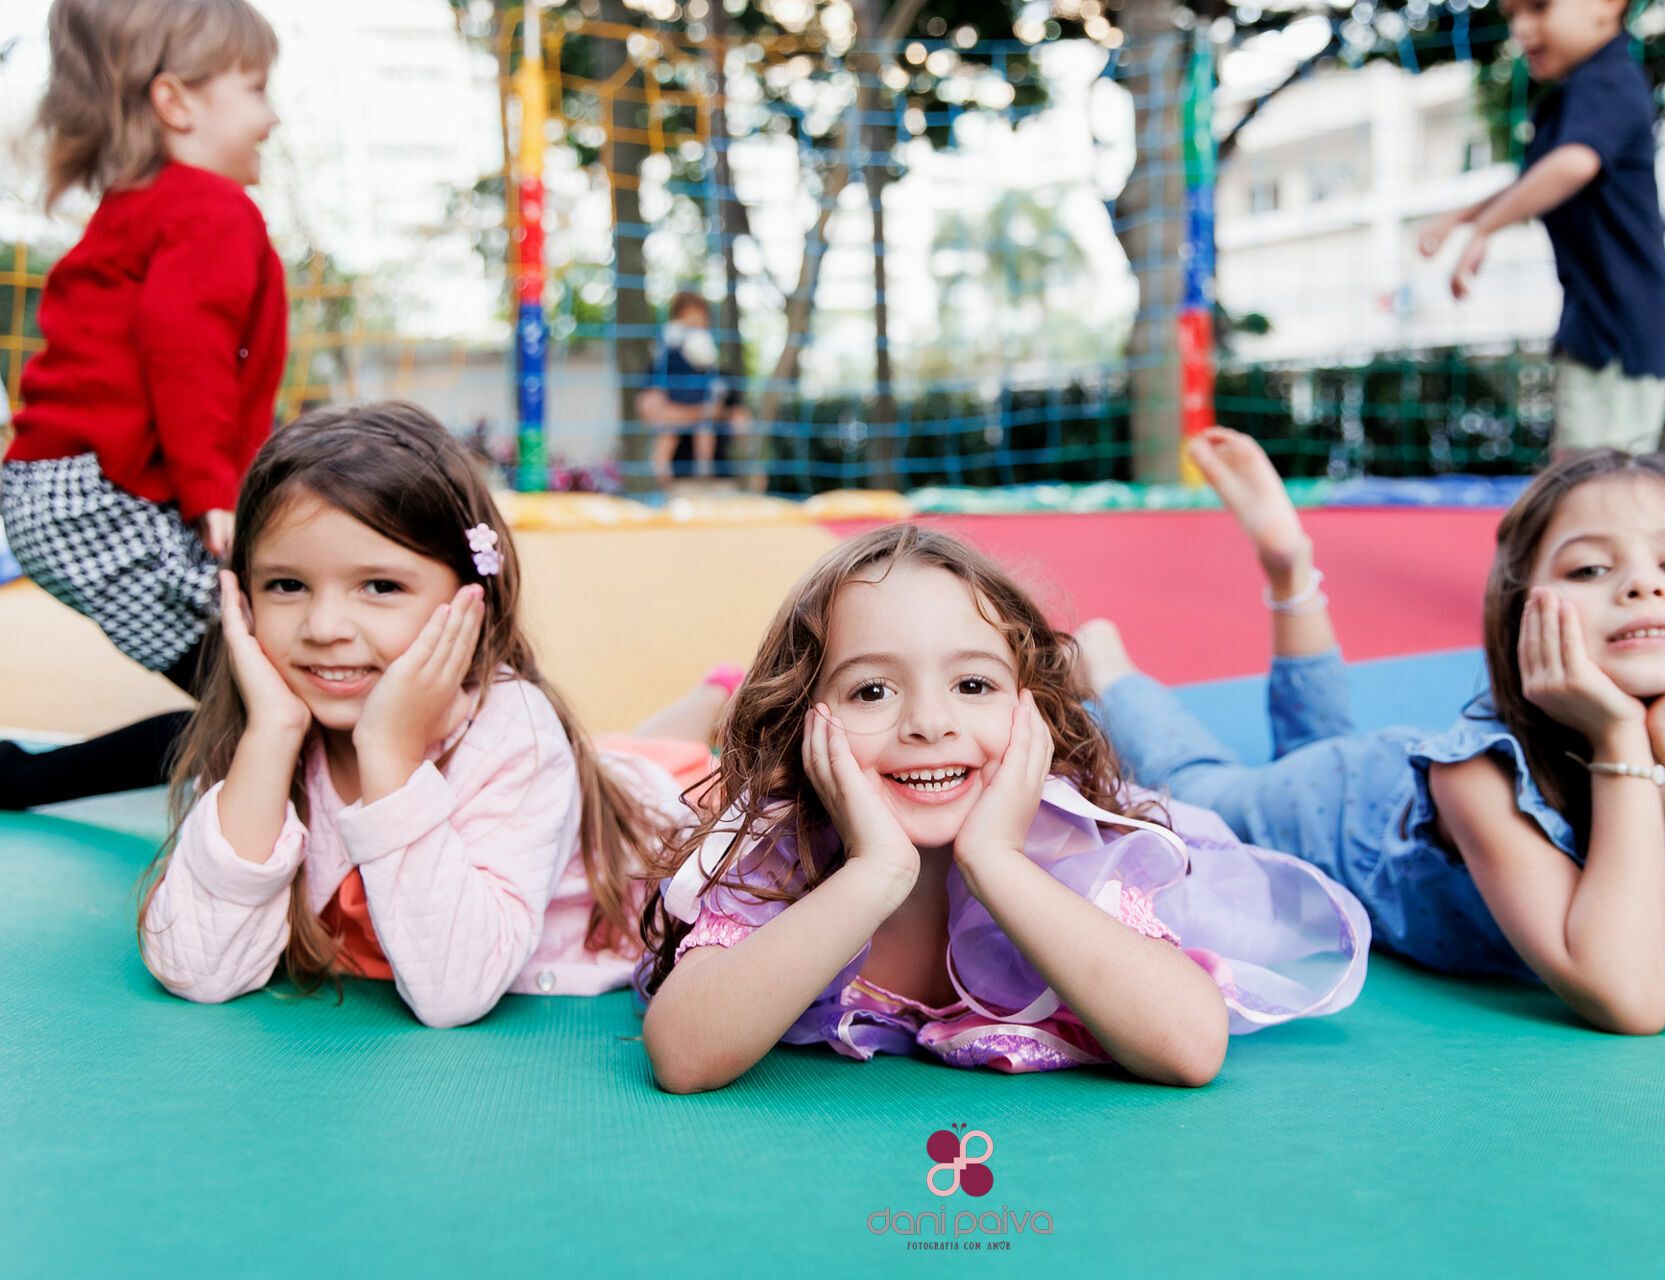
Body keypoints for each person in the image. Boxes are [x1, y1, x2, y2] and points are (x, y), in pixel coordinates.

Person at [1079, 428, 1665, 1034]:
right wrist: (1623, 741)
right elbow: (1629, 996)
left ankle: (1291, 570)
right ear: (1521, 613)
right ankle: (1108, 665)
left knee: (1312, 741)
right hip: (1341, 806)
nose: (1643, 585)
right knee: (1203, 787)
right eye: (1589, 570)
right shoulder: (1480, 776)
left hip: (1377, 793)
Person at [636, 524, 1368, 1091]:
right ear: (806, 720)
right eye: (872, 690)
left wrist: (997, 862)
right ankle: (713, 694)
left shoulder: (1075, 854)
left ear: (1030, 710)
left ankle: (1107, 669)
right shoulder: (779, 857)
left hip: (1137, 817)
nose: (928, 722)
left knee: (1201, 786)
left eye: (974, 686)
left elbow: (1190, 1048)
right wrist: (873, 873)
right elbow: (685, 1055)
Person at [136, 404, 704, 1027]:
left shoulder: (517, 731)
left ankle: (717, 697)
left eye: (380, 586)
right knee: (622, 753)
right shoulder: (268, 728)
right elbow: (197, 968)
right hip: (594, 772)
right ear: (242, 597)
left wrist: (390, 755)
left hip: (658, 818)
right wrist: (270, 735)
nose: (324, 629)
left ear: (470, 596)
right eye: (286, 586)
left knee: (664, 767)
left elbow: (453, 994)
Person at [0, 0, 286, 807]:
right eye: (257, 89)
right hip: (98, 496)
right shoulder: (208, 208)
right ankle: (19, 777)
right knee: (270, 697)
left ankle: (19, 773)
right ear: (177, 102)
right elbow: (183, 347)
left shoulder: (145, 203)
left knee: (262, 698)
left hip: (67, 491)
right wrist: (212, 492)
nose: (271, 115)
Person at [1418, 0, 1665, 456]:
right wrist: (1461, 219)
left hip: (1623, 322)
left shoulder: (1609, 79)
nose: (1522, 28)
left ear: (1607, 7)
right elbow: (1535, 180)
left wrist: (1483, 229)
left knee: (1595, 475)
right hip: (1597, 316)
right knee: (1581, 468)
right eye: (1512, 15)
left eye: (1539, 7)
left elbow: (1572, 165)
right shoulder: (1573, 96)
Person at [637, 292, 750, 486]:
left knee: (704, 434)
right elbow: (653, 414)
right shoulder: (662, 368)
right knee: (668, 436)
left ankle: (704, 472)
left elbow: (741, 421)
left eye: (701, 323)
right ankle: (663, 474)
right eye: (690, 324)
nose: (697, 329)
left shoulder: (717, 373)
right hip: (680, 484)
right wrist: (707, 413)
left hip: (721, 482)